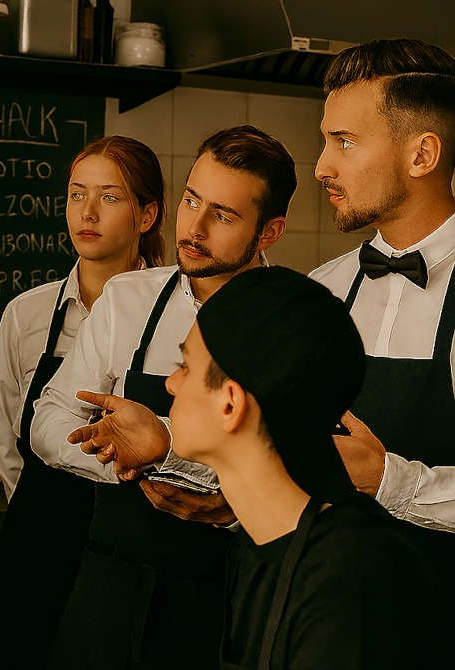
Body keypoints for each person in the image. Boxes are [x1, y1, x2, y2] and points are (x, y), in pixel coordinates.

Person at [31, 125, 295, 669]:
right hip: (109, 581)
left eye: (222, 215)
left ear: (270, 232)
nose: (193, 228)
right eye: (191, 201)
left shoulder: (296, 323)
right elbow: (49, 420)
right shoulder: (127, 300)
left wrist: (175, 460)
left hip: (229, 590)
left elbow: (297, 473)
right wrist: (121, 459)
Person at [165, 266, 441, 669]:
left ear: (230, 404)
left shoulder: (351, 578)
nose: (171, 383)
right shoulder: (254, 545)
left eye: (185, 366)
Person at [0, 136, 166, 669]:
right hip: (37, 545)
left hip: (136, 545)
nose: (87, 213)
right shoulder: (26, 315)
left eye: (110, 197)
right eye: (76, 195)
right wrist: (44, 520)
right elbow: (7, 443)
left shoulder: (176, 315)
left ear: (147, 215)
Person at [310, 39, 455, 609]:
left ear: (422, 156)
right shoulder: (321, 291)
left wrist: (387, 479)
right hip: (325, 616)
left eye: (344, 142)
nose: (322, 167)